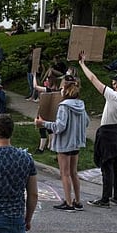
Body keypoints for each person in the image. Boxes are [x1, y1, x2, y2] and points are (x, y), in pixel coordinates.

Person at [78, 53, 117, 207]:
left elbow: (93, 79)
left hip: (108, 132)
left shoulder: (113, 96)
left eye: (114, 82)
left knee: (106, 166)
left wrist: (82, 64)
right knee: (116, 166)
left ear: (116, 84)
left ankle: (105, 198)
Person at [35, 74, 89, 211]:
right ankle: (77, 200)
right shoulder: (81, 104)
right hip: (76, 142)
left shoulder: (64, 106)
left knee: (64, 173)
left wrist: (43, 123)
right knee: (74, 172)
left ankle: (69, 203)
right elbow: (87, 122)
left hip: (64, 143)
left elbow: (60, 127)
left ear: (64, 89)